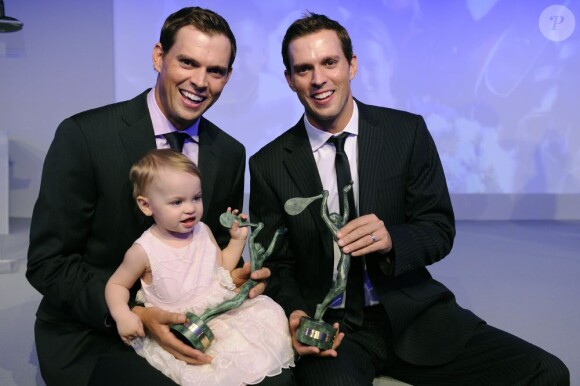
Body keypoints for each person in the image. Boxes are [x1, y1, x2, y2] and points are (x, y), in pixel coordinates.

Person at [249, 12, 570, 385]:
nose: (319, 79)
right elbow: (275, 264)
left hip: (413, 314)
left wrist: (391, 241)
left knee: (547, 373)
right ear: (289, 80)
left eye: (329, 62)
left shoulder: (406, 132)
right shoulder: (269, 163)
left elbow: (438, 227)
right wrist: (297, 314)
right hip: (330, 331)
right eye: (303, 69)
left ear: (351, 66)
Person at [26, 7, 288, 386]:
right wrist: (133, 313)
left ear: (228, 77)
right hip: (96, 331)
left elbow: (204, 251)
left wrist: (236, 277)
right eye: (187, 62)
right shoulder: (84, 136)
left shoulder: (229, 153)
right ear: (158, 57)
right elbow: (49, 262)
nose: (200, 81)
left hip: (193, 324)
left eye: (215, 71)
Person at [105, 149, 293, 386]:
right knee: (208, 371)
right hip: (181, 327)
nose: (190, 208)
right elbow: (117, 284)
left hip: (221, 311)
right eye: (177, 202)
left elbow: (220, 268)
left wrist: (237, 241)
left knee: (262, 337)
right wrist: (122, 314)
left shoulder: (202, 230)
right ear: (146, 205)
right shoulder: (143, 250)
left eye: (196, 197)